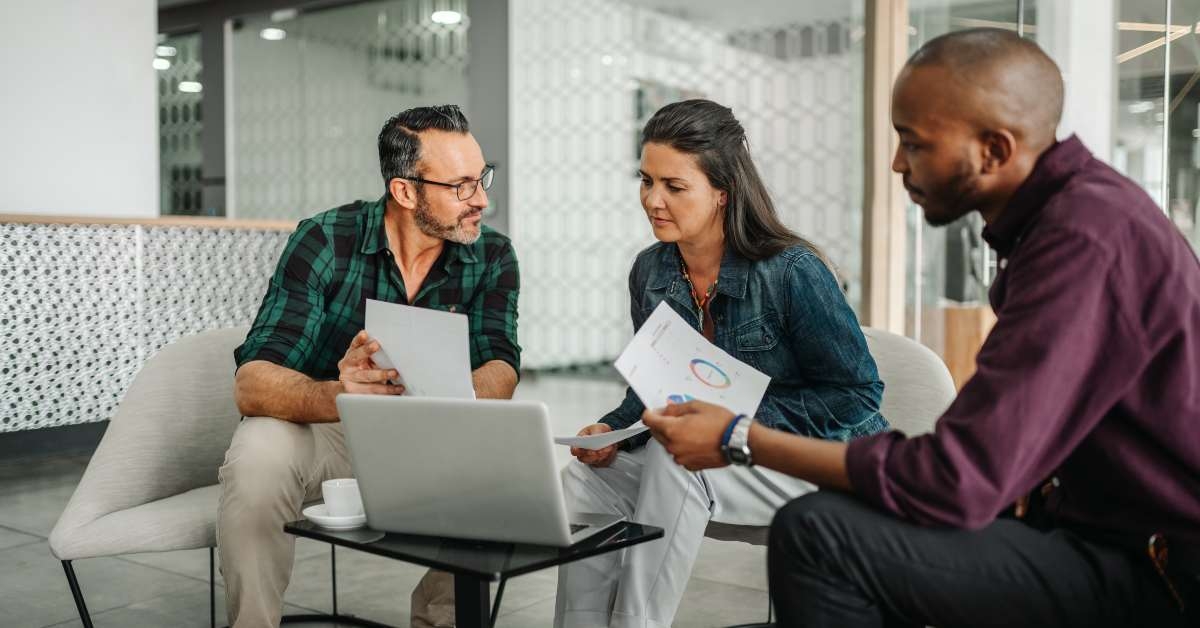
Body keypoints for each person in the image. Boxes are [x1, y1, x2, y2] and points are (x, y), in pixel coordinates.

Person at [643, 29, 1200, 628]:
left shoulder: (1085, 240)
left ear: (994, 150)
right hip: (1080, 526)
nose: (897, 163)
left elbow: (957, 478)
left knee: (819, 536)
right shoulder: (1067, 221)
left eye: (915, 143)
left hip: (1156, 570)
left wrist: (740, 438)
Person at [554, 99, 888, 628]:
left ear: (722, 192)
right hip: (729, 457)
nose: (652, 200)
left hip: (817, 462)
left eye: (674, 186)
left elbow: (856, 395)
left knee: (677, 459)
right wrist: (613, 430)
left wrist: (733, 424)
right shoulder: (651, 272)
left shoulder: (791, 271)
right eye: (646, 180)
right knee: (586, 482)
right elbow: (653, 389)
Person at [221, 105, 520, 628]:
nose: (482, 200)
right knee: (257, 455)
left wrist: (452, 401)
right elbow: (252, 384)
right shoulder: (324, 240)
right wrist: (341, 391)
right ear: (406, 192)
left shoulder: (492, 255)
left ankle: (440, 622)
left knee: (505, 463)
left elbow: (501, 360)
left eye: (482, 178)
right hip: (330, 430)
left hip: (434, 433)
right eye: (462, 186)